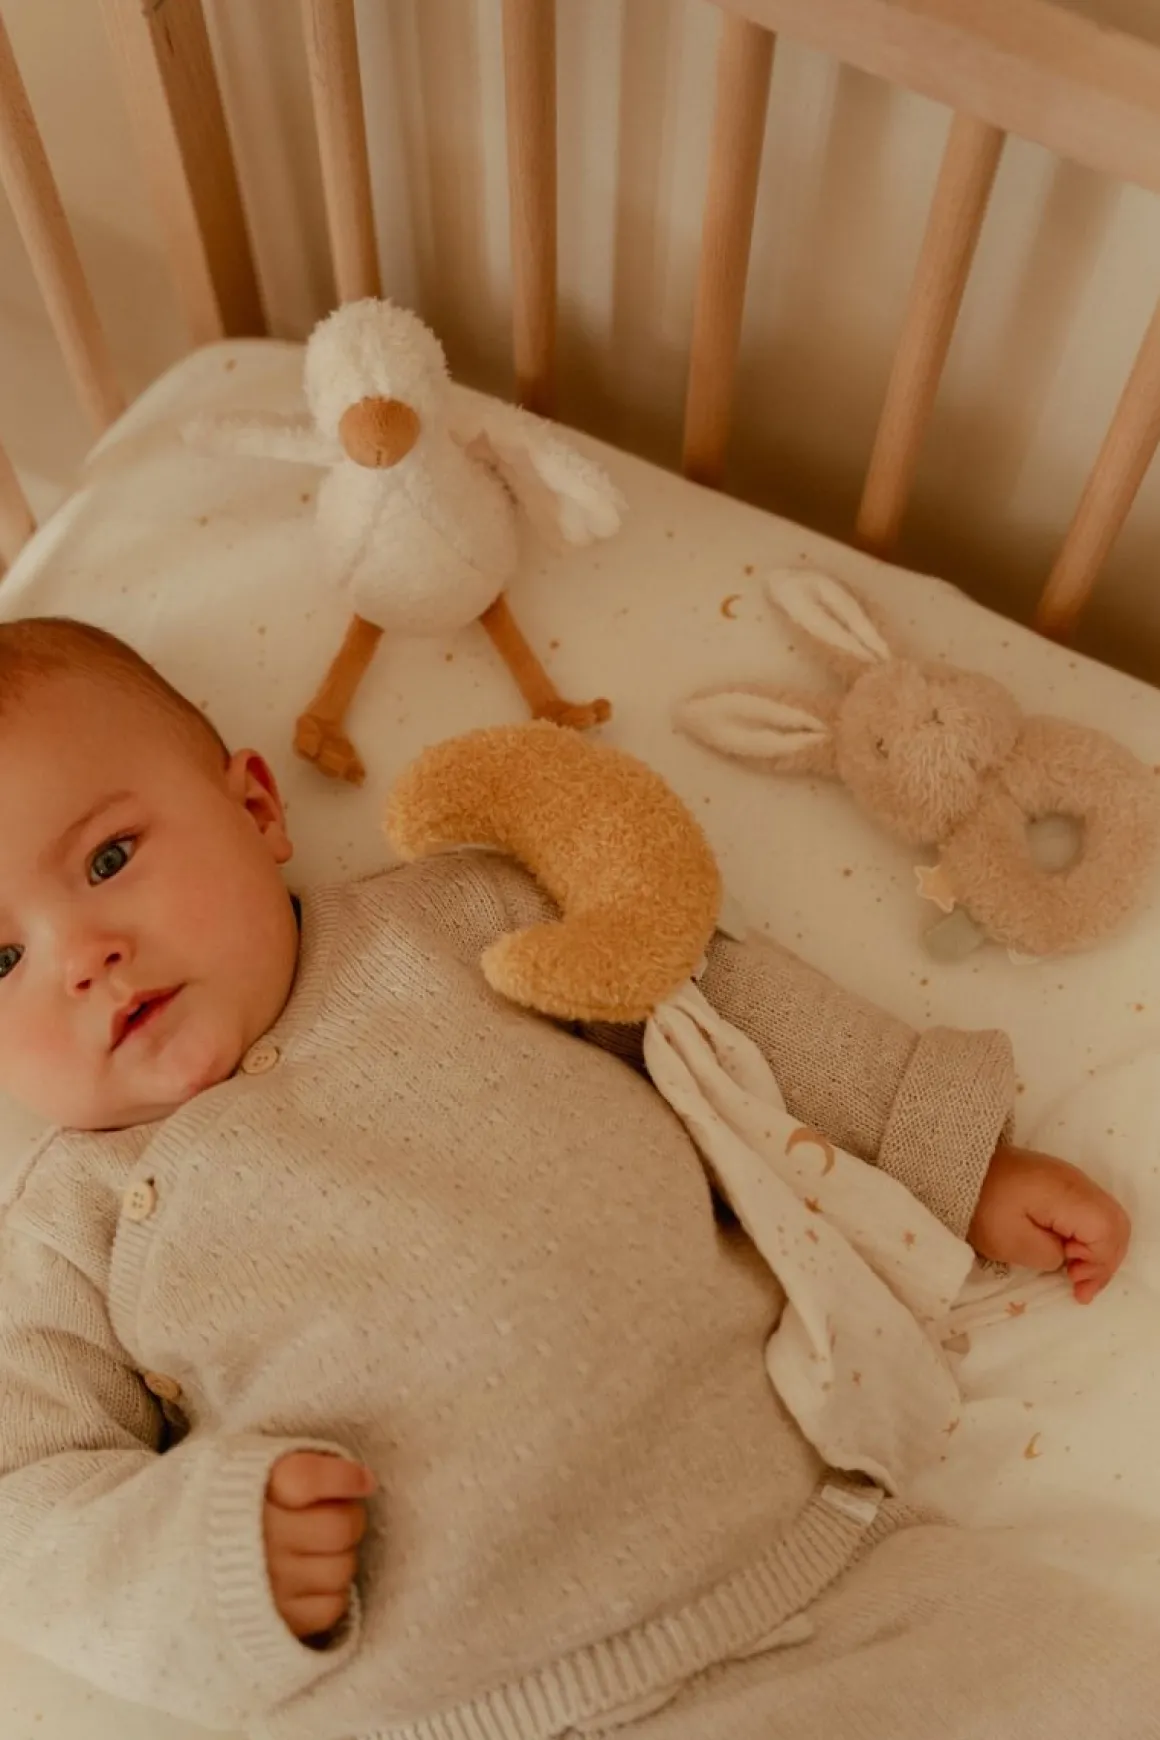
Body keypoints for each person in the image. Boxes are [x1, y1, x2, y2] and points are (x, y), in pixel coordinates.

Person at [0, 617, 1146, 1740]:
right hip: (462, 1706)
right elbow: (25, 1502)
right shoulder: (64, 1226)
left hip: (809, 1577)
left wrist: (950, 1157)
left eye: (109, 860)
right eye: (1, 956)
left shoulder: (460, 920)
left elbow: (724, 1018)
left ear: (254, 807)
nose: (83, 956)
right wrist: (207, 1561)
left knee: (1085, 1683)